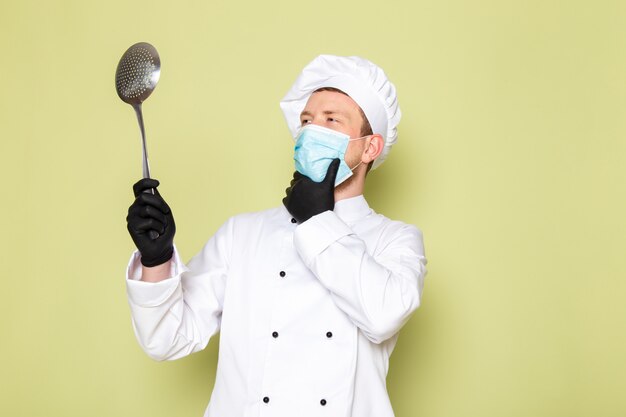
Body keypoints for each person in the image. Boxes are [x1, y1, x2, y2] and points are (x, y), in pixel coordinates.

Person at [125, 54, 427, 417]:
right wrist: (156, 261)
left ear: (370, 147)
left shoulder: (395, 240)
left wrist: (316, 221)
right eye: (306, 121)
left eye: (332, 120)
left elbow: (383, 315)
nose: (312, 130)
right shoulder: (243, 233)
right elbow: (166, 340)